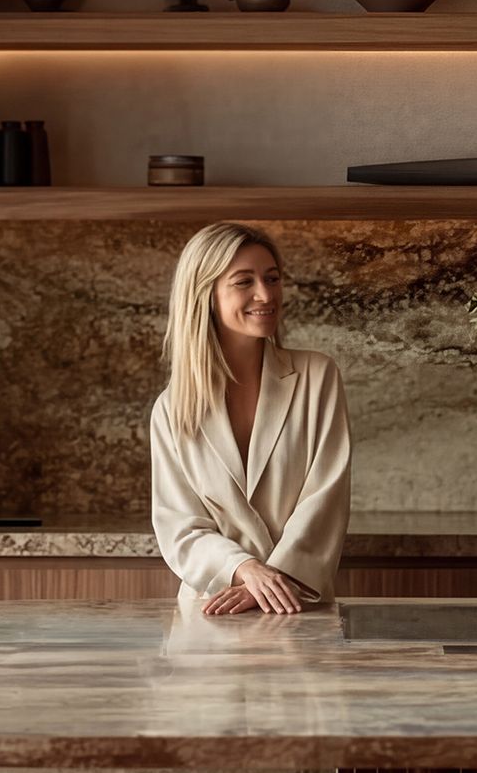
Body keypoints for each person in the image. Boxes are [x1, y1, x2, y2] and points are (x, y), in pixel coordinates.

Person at [150, 222, 351, 615]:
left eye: (272, 278)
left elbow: (326, 497)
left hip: (295, 601)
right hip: (215, 608)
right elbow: (179, 526)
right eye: (244, 281)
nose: (265, 294)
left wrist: (274, 579)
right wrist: (244, 570)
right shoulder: (172, 409)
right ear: (205, 295)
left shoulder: (317, 377)